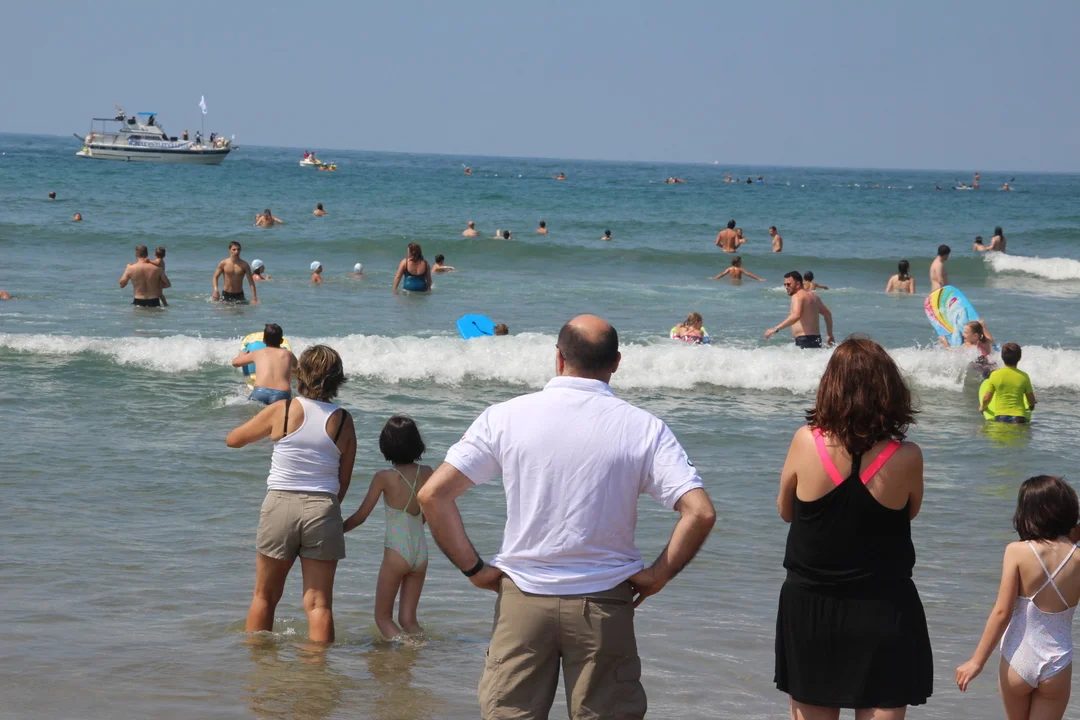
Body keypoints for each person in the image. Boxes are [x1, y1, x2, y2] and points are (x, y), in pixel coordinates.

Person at [417, 315, 716, 720]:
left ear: (558, 358)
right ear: (616, 362)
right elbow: (699, 512)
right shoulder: (645, 428)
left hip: (523, 597)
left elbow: (433, 495)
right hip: (605, 601)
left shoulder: (505, 416)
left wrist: (475, 569)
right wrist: (658, 575)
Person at [775, 337, 933, 716]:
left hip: (812, 608)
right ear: (889, 389)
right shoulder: (907, 456)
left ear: (830, 386)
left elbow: (786, 510)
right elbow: (909, 512)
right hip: (884, 607)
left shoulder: (805, 441)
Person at [225, 345, 355, 644]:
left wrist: (270, 432)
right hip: (323, 507)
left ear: (299, 374)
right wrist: (327, 510)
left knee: (265, 596)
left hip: (281, 503)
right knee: (319, 604)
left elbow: (233, 440)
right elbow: (343, 480)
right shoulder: (344, 420)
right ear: (338, 379)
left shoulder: (282, 410)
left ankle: (259, 661)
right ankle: (317, 669)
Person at [957, 477, 1080, 720]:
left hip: (1018, 659)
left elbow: (1002, 612)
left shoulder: (1017, 552)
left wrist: (976, 662)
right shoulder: (1077, 558)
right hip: (1057, 662)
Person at [343, 416, 434, 639]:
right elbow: (430, 512)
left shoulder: (384, 477)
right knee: (409, 620)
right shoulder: (427, 472)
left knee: (382, 618)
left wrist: (336, 530)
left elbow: (361, 516)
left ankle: (407, 647)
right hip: (421, 552)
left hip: (396, 552)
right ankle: (422, 649)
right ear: (417, 442)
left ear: (386, 444)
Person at [231, 323, 298, 405]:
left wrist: (243, 353)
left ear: (263, 340)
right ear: (282, 341)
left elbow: (235, 363)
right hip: (282, 393)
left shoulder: (257, 353)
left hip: (260, 392)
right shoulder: (288, 354)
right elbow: (298, 369)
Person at [765, 271, 835, 348]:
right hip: (816, 339)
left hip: (804, 340)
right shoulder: (814, 297)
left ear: (798, 284)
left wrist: (776, 329)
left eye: (789, 284)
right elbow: (828, 314)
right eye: (785, 284)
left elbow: (796, 315)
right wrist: (829, 335)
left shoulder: (797, 295)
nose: (786, 287)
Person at [979, 343, 1037, 424]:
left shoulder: (995, 375)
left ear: (1002, 357)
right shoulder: (1024, 376)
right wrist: (1031, 406)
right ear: (1019, 357)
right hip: (1019, 418)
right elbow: (1031, 399)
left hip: (1001, 417)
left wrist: (982, 407)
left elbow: (987, 398)